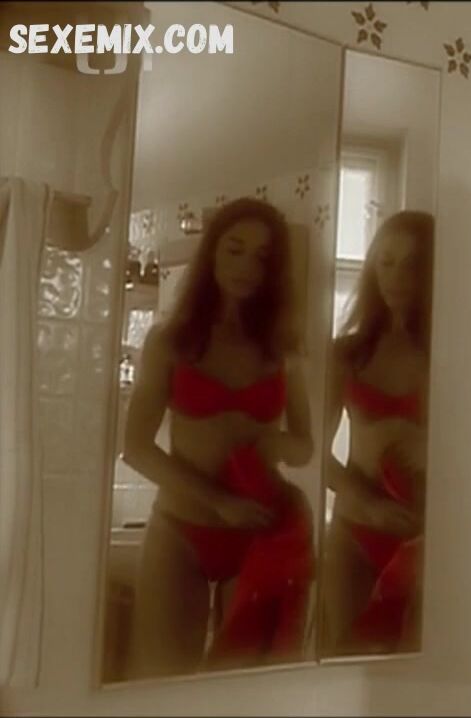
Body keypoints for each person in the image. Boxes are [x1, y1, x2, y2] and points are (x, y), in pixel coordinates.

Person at [123, 197, 315, 678]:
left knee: (244, 690)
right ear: (211, 252)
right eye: (235, 249)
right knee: (161, 683)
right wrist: (218, 502)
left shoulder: (283, 349)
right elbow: (136, 448)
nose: (247, 266)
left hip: (258, 534)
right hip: (181, 530)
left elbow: (305, 446)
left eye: (262, 257)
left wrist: (278, 445)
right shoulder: (170, 341)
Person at [321, 210, 434, 656]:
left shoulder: (453, 356)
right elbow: (313, 455)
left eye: (412, 263)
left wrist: (435, 448)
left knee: (418, 673)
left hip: (429, 536)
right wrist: (368, 504)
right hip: (356, 531)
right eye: (385, 262)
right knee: (345, 664)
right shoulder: (348, 353)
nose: (396, 277)